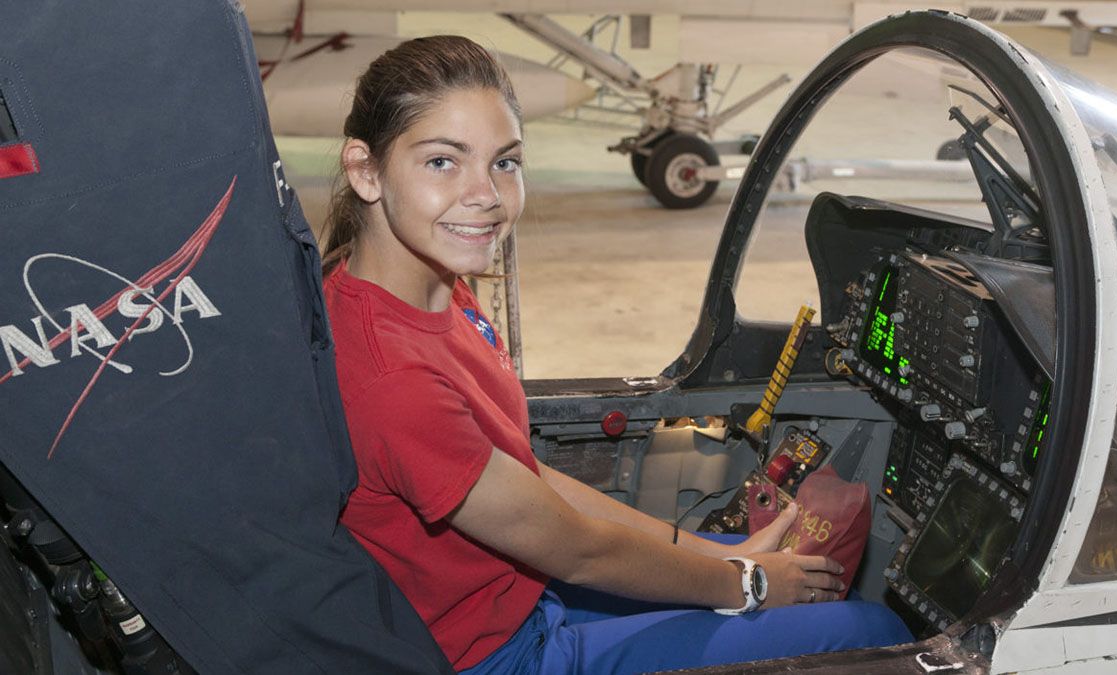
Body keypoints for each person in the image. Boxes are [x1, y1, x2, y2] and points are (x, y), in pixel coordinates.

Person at [320, 35, 911, 674]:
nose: (486, 195)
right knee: (873, 628)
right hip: (493, 655)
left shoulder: (433, 285)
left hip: (518, 597)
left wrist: (723, 555)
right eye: (442, 162)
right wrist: (750, 585)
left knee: (747, 559)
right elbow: (577, 552)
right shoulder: (391, 376)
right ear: (365, 170)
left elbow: (531, 484)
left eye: (505, 162)